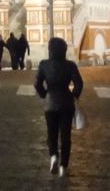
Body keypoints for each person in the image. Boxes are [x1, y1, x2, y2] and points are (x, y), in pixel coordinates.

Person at [34, 37, 84, 178]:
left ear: (50, 50)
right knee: (66, 135)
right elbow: (79, 83)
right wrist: (74, 96)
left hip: (50, 103)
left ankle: (54, 156)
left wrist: (44, 94)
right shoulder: (70, 65)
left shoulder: (44, 65)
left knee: (52, 133)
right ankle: (64, 166)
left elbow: (37, 83)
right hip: (67, 103)